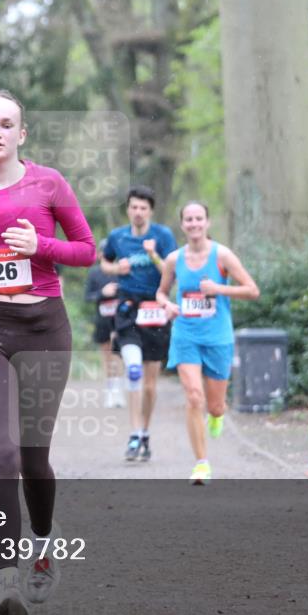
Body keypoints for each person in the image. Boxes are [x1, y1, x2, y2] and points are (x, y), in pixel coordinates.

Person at [0, 88, 96, 615]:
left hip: (44, 329)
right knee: (2, 453)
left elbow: (86, 249)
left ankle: (44, 547)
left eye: (8, 123)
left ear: (22, 134)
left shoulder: (48, 183)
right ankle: (8, 584)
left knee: (33, 457)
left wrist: (41, 247)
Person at [156, 202, 259, 485]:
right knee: (193, 396)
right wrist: (167, 306)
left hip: (217, 337)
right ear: (182, 225)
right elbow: (161, 293)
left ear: (207, 223)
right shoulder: (174, 260)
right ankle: (201, 464)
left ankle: (217, 415)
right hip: (186, 333)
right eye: (188, 219)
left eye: (198, 218)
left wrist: (219, 289)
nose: (194, 224)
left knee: (214, 406)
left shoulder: (222, 255)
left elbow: (252, 290)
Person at [101, 186, 177, 461]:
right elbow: (103, 262)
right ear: (128, 209)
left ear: (151, 211)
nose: (138, 212)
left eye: (143, 208)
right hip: (128, 308)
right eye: (133, 207)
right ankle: (133, 433)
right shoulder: (117, 237)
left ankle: (144, 431)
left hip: (155, 309)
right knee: (133, 370)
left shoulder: (163, 236)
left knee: (150, 383)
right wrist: (114, 269)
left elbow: (174, 271)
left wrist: (154, 255)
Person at [83, 241, 124, 408]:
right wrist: (103, 293)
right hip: (102, 320)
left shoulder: (121, 272)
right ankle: (110, 391)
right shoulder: (94, 274)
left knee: (118, 356)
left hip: (120, 320)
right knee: (107, 357)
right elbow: (88, 297)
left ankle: (119, 391)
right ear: (100, 255)